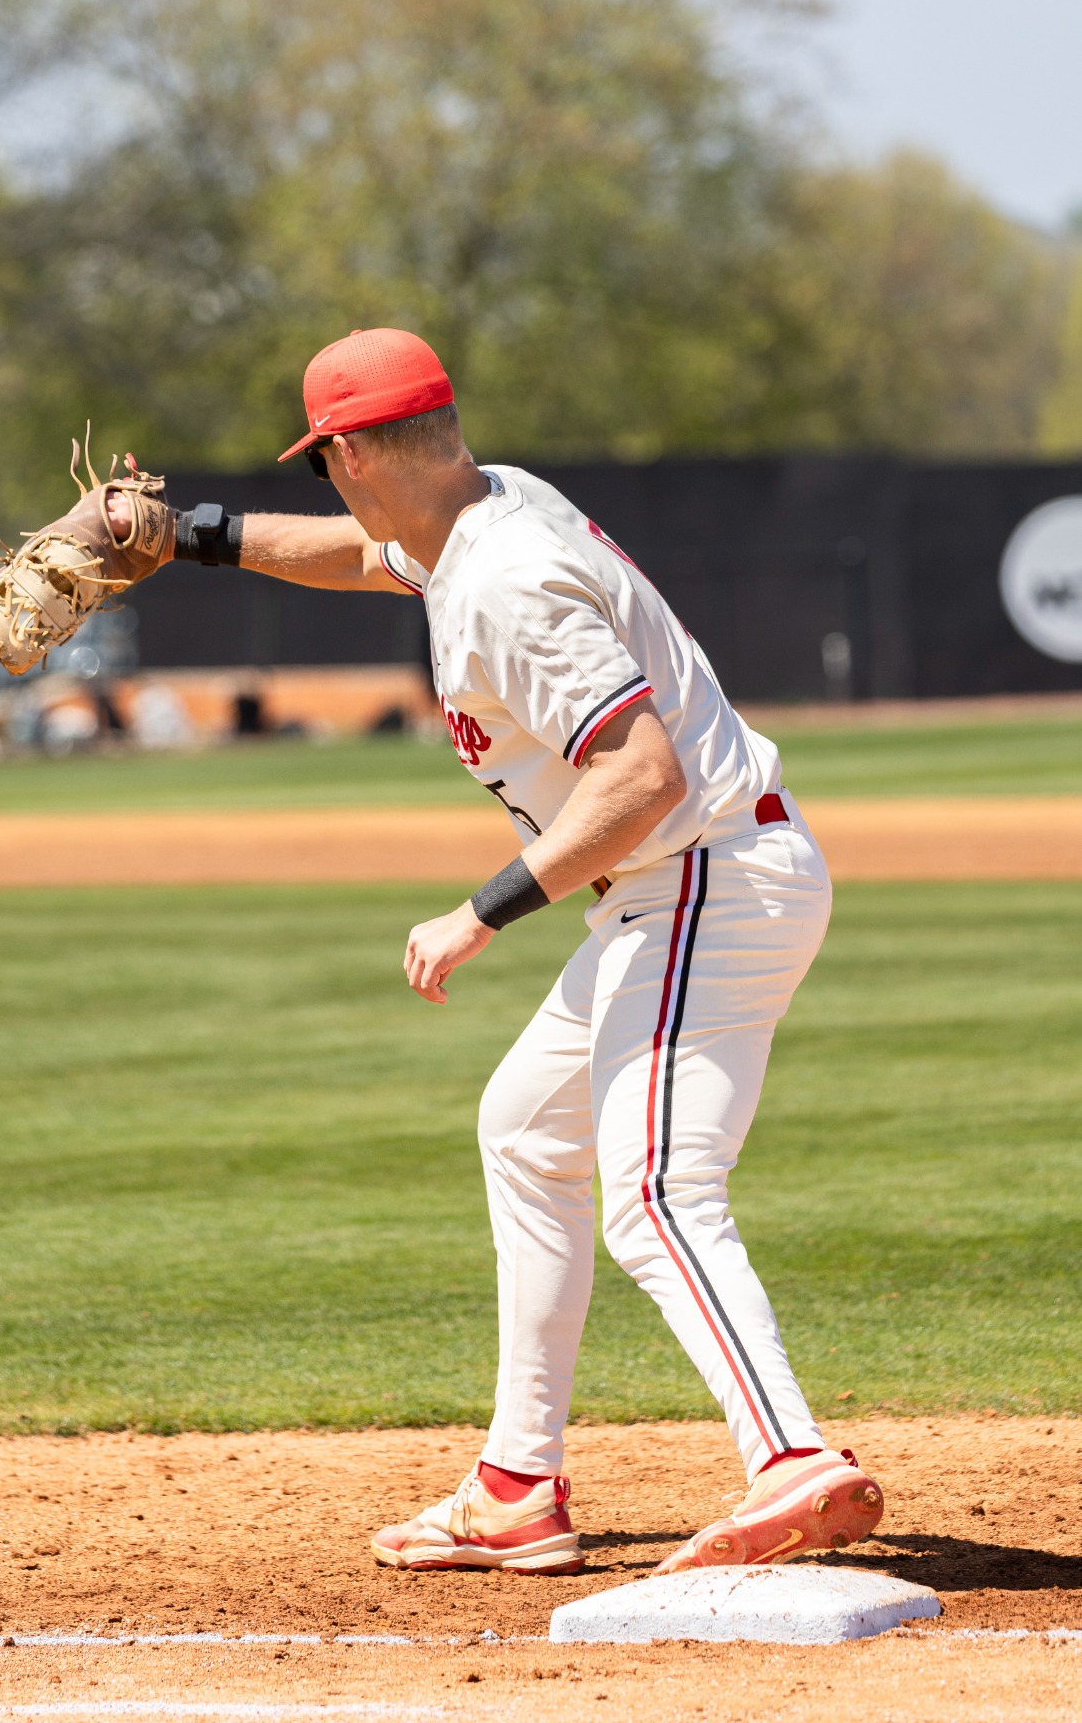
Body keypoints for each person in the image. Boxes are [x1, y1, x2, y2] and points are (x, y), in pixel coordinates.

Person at [106, 326, 884, 1576]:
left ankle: (790, 1457)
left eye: (324, 460)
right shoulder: (487, 504)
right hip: (679, 885)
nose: (331, 483)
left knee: (657, 1189)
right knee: (525, 1130)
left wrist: (479, 912)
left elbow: (639, 774)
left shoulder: (506, 576)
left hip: (702, 879)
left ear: (353, 447)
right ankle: (518, 1483)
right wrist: (185, 533)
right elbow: (369, 555)